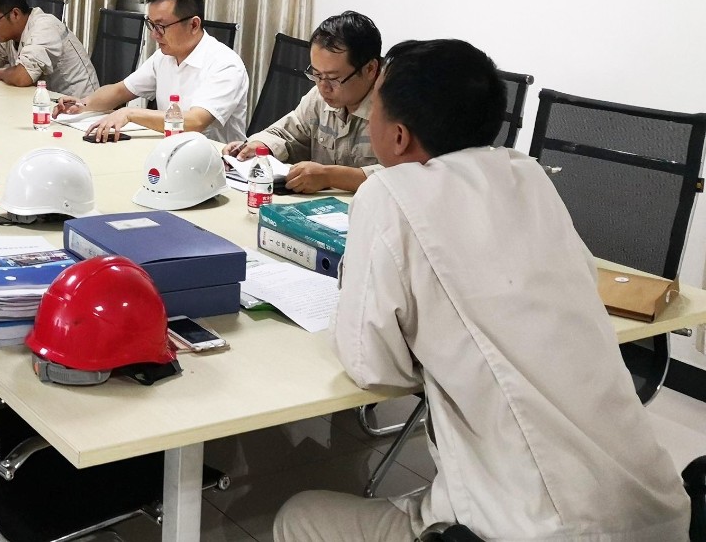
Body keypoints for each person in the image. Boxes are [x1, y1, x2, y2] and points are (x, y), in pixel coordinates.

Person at [274, 39, 690, 542]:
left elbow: (372, 368)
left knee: (297, 516)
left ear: (398, 136)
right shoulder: (527, 174)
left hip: (538, 530)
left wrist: (422, 345)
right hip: (660, 513)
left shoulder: (388, 194)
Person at [52, 0, 248, 143]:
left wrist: (130, 114)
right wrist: (83, 104)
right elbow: (121, 91)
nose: (154, 34)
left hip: (215, 163)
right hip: (170, 151)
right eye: (151, 25)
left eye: (161, 26)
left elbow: (195, 121)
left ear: (194, 25)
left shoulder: (225, 64)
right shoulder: (164, 56)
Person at [223, 11, 382, 194]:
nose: (323, 87)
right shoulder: (318, 99)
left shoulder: (394, 109)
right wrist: (259, 146)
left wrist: (330, 176)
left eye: (333, 78)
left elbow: (401, 177)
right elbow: (286, 133)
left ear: (370, 69)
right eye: (316, 74)